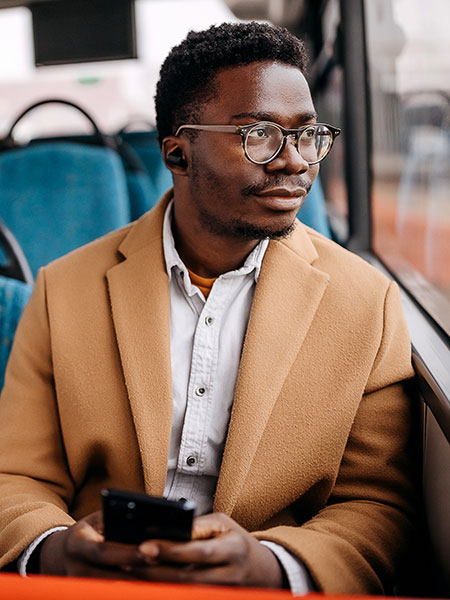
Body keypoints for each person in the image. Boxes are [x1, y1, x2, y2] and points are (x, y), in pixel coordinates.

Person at [0, 22, 416, 594]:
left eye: (308, 135)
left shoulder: (368, 303)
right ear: (177, 152)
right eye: (260, 135)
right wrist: (56, 548)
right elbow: (15, 475)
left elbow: (375, 503)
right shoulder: (63, 289)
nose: (295, 162)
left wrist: (273, 564)